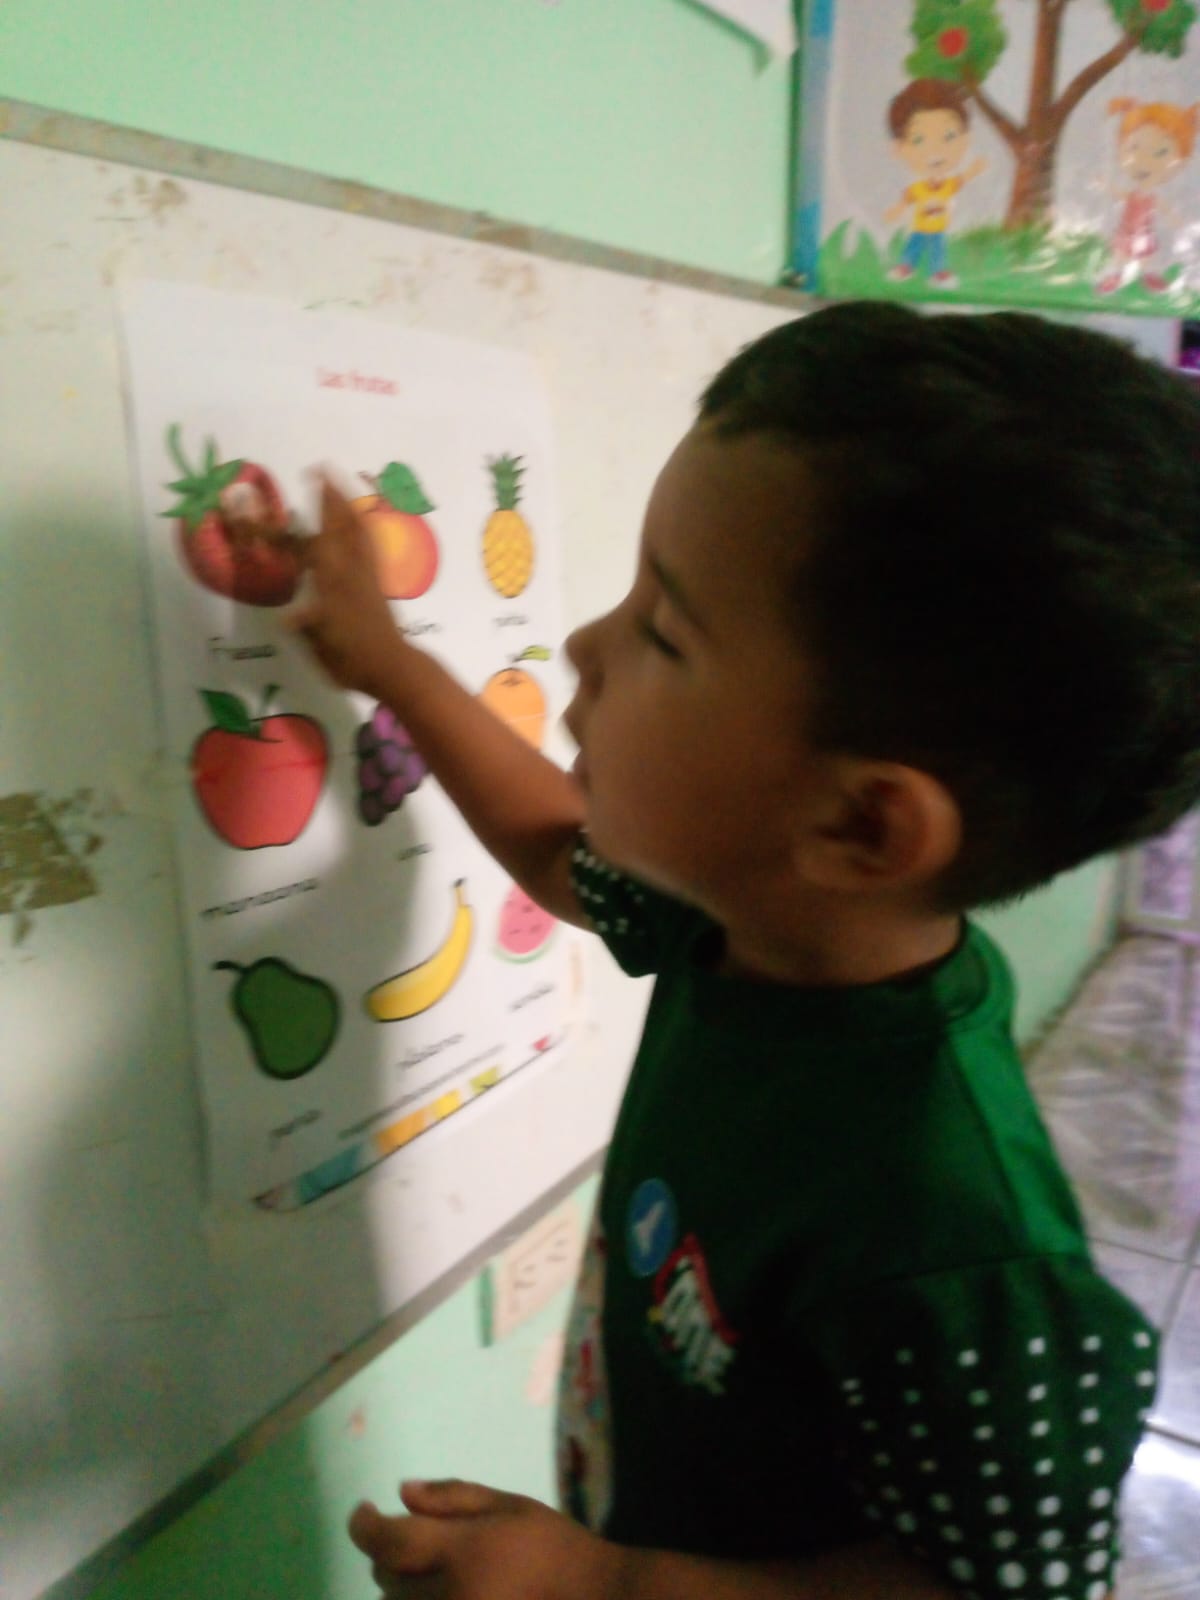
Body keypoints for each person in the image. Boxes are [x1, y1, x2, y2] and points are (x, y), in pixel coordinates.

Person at [289, 302, 1200, 1600]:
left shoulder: (958, 1247)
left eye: (664, 631)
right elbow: (557, 850)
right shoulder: (749, 917)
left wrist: (602, 1586)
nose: (584, 646)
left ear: (859, 823)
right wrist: (392, 663)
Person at [885, 80, 986, 290]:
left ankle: (937, 272)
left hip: (938, 229)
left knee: (938, 251)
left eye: (949, 136)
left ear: (966, 139)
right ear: (899, 148)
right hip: (920, 228)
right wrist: (897, 210)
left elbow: (961, 179)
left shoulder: (948, 185)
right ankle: (906, 266)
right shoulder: (918, 188)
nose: (935, 149)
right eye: (918, 140)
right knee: (913, 246)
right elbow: (907, 199)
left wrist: (974, 170)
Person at [1098, 98, 1199, 297]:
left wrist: (1180, 224)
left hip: (1144, 234)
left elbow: (1166, 210)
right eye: (1134, 147)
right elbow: (1120, 194)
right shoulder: (1133, 195)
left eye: (1161, 153)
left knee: (1145, 258)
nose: (1144, 161)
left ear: (1182, 159)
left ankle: (1149, 277)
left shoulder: (1151, 198)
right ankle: (1115, 277)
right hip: (1126, 232)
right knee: (1120, 255)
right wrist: (1105, 185)